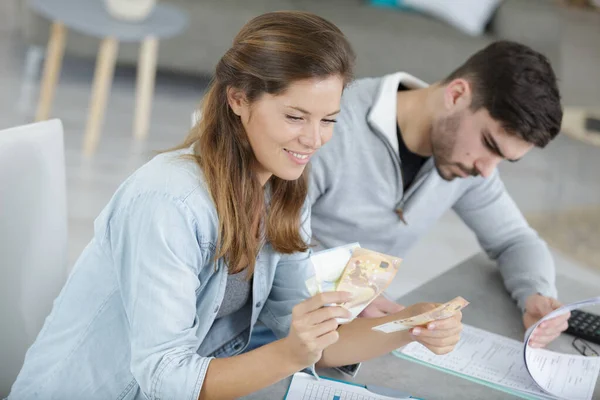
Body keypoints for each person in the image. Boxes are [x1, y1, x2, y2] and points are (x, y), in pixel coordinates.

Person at [9, 11, 463, 400]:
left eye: (328, 120)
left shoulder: (285, 190)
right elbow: (166, 376)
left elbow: (308, 339)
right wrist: (291, 353)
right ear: (238, 99)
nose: (314, 139)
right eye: (294, 116)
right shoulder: (168, 202)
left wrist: (411, 323)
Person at [308, 41, 569, 348]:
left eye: (504, 159)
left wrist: (536, 294)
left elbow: (515, 239)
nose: (487, 171)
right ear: (456, 95)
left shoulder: (466, 161)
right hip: (279, 326)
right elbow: (259, 236)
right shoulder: (331, 125)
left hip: (351, 337)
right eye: (490, 144)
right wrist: (348, 287)